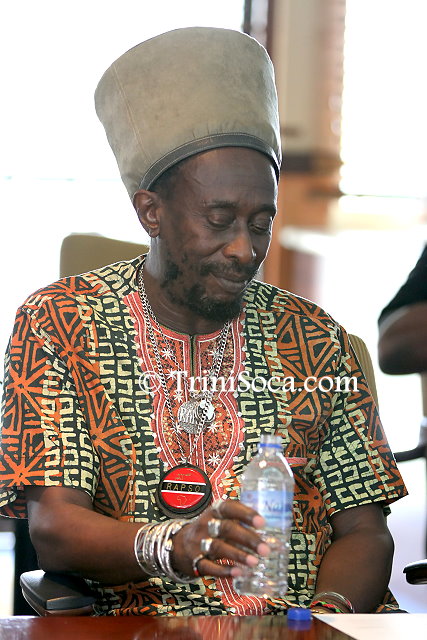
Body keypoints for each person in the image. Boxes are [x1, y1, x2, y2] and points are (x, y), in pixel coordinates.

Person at [0, 27, 406, 616]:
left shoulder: (315, 340)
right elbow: (55, 529)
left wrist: (323, 623)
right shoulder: (62, 324)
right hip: (142, 627)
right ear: (151, 212)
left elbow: (366, 531)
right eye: (219, 220)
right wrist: (172, 545)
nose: (245, 249)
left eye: (261, 223)